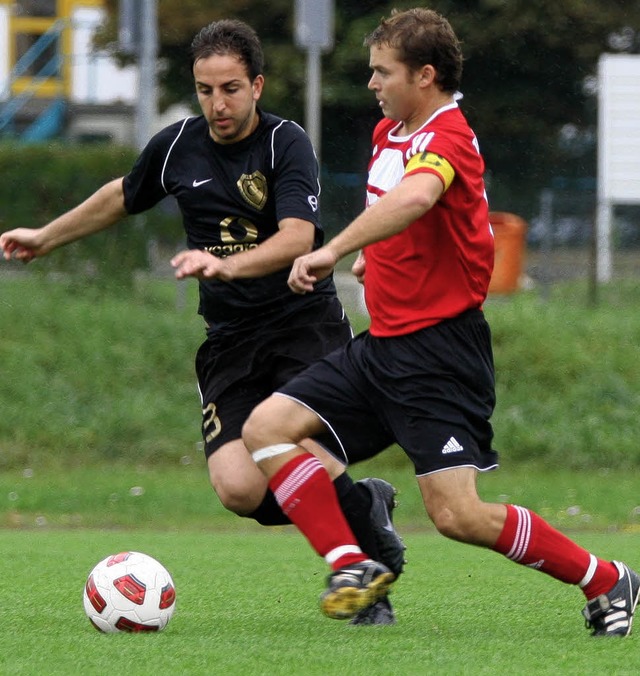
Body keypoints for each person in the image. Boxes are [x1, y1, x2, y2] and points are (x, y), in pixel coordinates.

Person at [242, 7, 640, 635]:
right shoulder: (388, 134)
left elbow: (419, 196)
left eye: (383, 72)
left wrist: (334, 250)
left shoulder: (448, 136)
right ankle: (352, 563)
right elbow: (401, 216)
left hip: (438, 356)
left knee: (457, 516)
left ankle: (605, 578)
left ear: (424, 75)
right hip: (382, 349)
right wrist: (378, 260)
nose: (372, 84)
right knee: (266, 426)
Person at [0, 19, 405, 625]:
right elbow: (122, 193)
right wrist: (46, 238)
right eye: (206, 89)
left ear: (258, 85)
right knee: (240, 489)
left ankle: (365, 575)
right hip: (230, 341)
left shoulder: (284, 144)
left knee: (294, 446)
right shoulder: (176, 145)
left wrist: (226, 265)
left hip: (302, 324)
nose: (218, 104)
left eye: (232, 89)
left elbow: (298, 238)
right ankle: (364, 503)